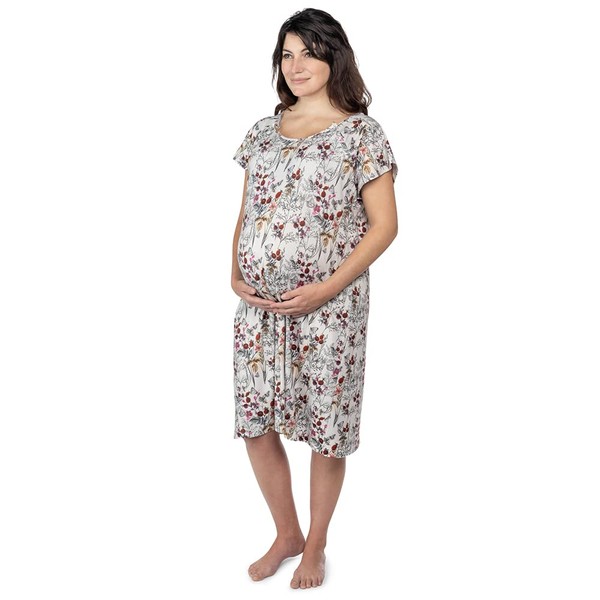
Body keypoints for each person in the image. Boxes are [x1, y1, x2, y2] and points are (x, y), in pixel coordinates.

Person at [230, 8, 398, 590]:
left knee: (327, 427)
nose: (296, 66)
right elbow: (247, 210)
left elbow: (384, 226)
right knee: (255, 422)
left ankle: (316, 544)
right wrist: (234, 272)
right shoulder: (263, 130)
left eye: (308, 53)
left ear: (333, 57)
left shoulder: (362, 134)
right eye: (287, 54)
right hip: (259, 309)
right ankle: (287, 533)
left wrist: (325, 288)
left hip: (331, 311)